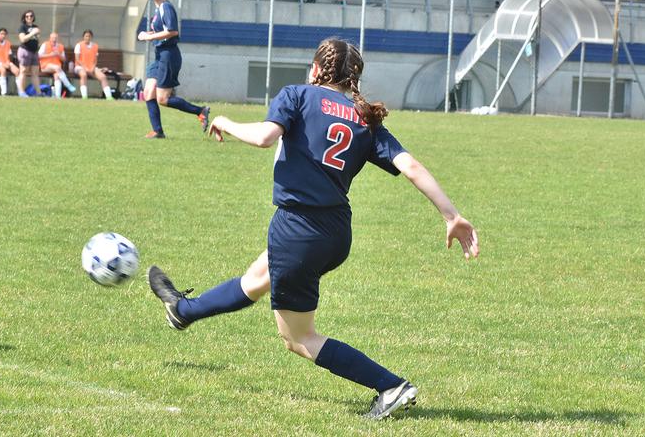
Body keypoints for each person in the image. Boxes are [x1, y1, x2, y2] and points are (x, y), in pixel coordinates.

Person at [147, 38, 479, 421]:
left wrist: (222, 121)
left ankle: (391, 386)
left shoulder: (298, 95)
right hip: (336, 231)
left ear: (318, 69)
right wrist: (452, 216)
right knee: (257, 278)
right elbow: (413, 167)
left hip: (298, 228)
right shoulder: (364, 117)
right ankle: (183, 310)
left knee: (298, 337)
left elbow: (263, 137)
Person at [137, 0, 210, 139]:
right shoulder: (158, 9)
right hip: (159, 55)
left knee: (163, 99)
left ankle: (200, 110)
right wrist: (148, 34)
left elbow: (172, 31)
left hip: (168, 55)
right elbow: (161, 31)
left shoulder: (166, 7)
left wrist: (150, 37)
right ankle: (158, 131)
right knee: (148, 92)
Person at [73, 30, 113, 99]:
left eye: (89, 36)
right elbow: (77, 59)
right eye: (86, 36)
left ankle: (109, 97)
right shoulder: (78, 45)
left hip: (91, 67)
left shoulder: (95, 46)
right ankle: (84, 96)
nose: (87, 38)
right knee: (83, 75)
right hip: (80, 67)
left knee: (103, 77)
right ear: (83, 37)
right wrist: (85, 68)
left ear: (91, 37)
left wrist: (92, 68)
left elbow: (95, 60)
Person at [38, 32, 76, 98]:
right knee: (57, 68)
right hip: (45, 66)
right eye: (53, 38)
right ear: (50, 38)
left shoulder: (60, 46)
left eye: (55, 38)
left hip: (57, 69)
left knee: (57, 76)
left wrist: (58, 54)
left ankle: (57, 96)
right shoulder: (45, 44)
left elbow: (64, 60)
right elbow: (38, 56)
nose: (54, 39)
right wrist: (50, 55)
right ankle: (68, 85)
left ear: (58, 39)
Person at [17, 10, 42, 97]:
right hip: (25, 51)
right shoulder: (22, 27)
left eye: (31, 16)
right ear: (24, 18)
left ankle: (39, 93)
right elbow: (23, 39)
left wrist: (37, 34)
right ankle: (21, 92)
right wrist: (32, 33)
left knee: (35, 73)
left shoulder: (36, 27)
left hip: (34, 51)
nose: (29, 18)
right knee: (23, 71)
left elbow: (37, 39)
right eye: (27, 16)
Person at [0, 28, 20, 95]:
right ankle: (4, 93)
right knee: (3, 71)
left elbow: (9, 55)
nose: (3, 35)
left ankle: (20, 92)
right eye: (1, 34)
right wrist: (3, 63)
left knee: (17, 71)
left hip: (6, 62)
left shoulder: (8, 43)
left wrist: (8, 62)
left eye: (4, 34)